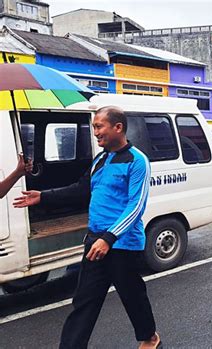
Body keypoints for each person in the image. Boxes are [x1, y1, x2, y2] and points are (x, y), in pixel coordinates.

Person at [13, 106, 162, 349]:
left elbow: (136, 207)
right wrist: (44, 196)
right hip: (95, 242)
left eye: (98, 126)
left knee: (132, 295)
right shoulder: (100, 159)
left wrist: (109, 238)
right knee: (84, 301)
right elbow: (81, 189)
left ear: (118, 127)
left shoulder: (137, 161)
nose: (95, 132)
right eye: (94, 127)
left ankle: (150, 338)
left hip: (122, 244)